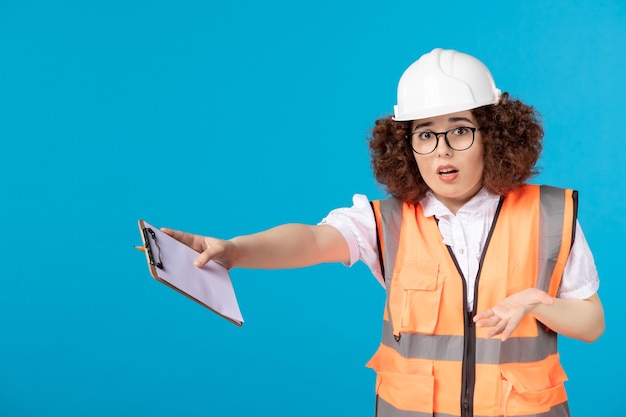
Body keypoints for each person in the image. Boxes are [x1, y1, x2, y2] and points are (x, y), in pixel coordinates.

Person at [163, 48, 604, 417]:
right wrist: (235, 250)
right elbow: (312, 241)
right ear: (406, 146)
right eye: (425, 135)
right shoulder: (383, 222)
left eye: (461, 131)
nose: (443, 150)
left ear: (493, 135)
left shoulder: (550, 213)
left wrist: (534, 301)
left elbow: (591, 324)